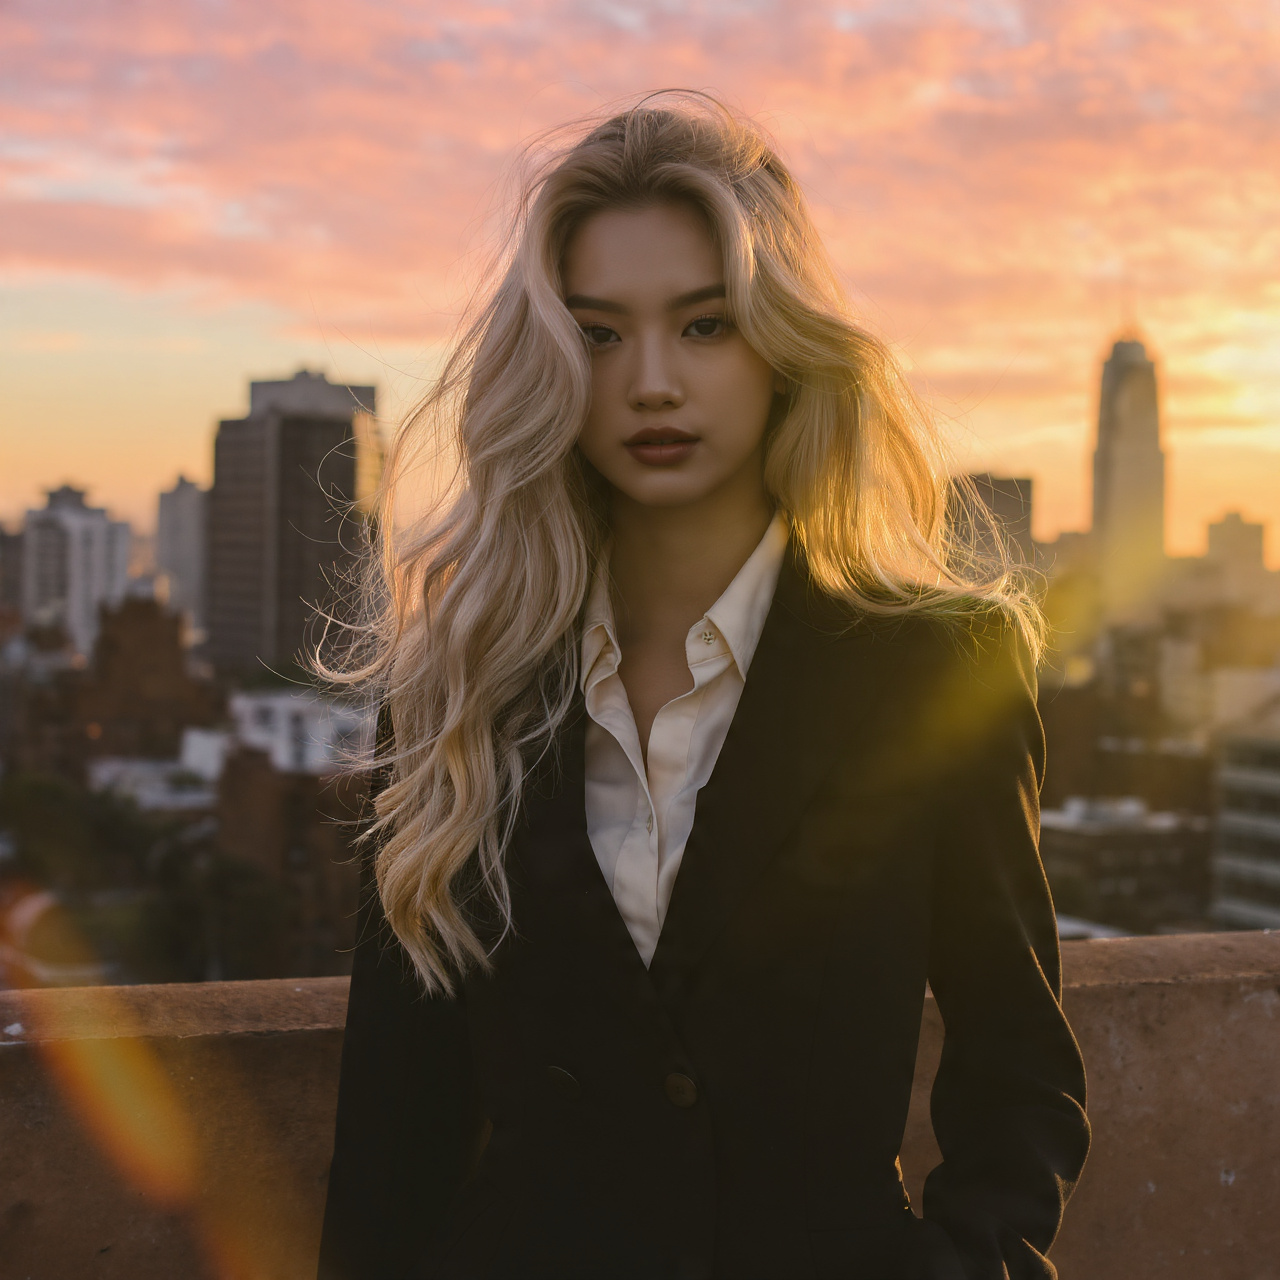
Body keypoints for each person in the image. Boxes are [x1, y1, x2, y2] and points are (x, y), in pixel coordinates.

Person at [318, 92, 1089, 1280]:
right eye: (600, 332)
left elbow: (1017, 1070)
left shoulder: (937, 662)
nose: (651, 383)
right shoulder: (456, 684)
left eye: (705, 325)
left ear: (781, 343)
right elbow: (393, 1131)